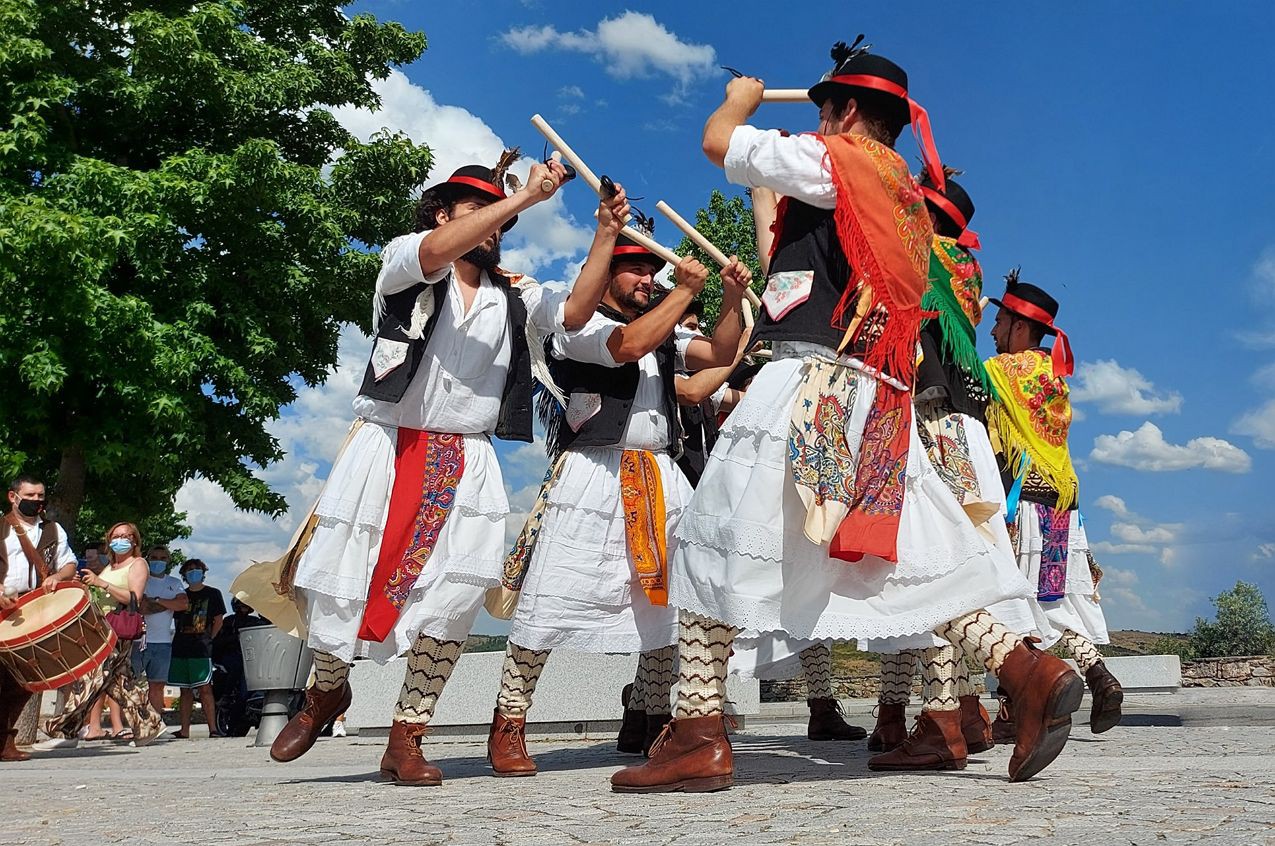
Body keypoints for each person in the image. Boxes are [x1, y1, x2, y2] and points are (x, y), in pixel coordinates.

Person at [612, 40, 1083, 794]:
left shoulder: (841, 161)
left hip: (809, 385)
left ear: (847, 112)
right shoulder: (898, 192)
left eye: (827, 110)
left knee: (710, 541)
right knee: (898, 561)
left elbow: (718, 142)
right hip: (874, 393)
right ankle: (1024, 669)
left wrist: (740, 95)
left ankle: (696, 732)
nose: (820, 122)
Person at [263, 153, 619, 787]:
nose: (491, 227)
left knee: (452, 602)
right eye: (474, 212)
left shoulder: (516, 292)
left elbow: (573, 316)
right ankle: (326, 690)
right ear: (441, 212)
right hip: (388, 442)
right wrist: (519, 201)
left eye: (497, 218)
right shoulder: (407, 259)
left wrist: (605, 235)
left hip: (469, 456)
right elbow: (435, 253)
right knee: (343, 577)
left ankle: (408, 734)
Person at [490, 222, 751, 775]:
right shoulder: (578, 326)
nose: (648, 279)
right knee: (551, 596)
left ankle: (661, 719)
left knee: (674, 602)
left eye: (653, 271)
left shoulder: (660, 329)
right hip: (593, 471)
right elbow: (626, 347)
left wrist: (729, 296)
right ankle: (509, 721)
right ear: (604, 273)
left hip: (660, 473)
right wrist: (684, 291)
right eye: (637, 269)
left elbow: (718, 349)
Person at [862, 171, 1051, 771]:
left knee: (929, 568)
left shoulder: (927, 258)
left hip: (929, 421)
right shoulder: (960, 271)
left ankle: (947, 715)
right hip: (962, 432)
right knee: (950, 571)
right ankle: (961, 709)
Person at [984, 271, 1123, 740]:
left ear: (1021, 329)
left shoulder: (1003, 373)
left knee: (1012, 605)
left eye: (1000, 321)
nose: (992, 331)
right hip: (1063, 504)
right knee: (1056, 602)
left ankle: (1014, 711)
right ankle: (1099, 674)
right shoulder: (1053, 375)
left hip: (1022, 502)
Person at [38, 521, 166, 749]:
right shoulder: (110, 567)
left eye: (126, 536)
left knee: (88, 679)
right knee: (119, 683)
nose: (121, 539)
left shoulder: (137, 564)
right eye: (116, 535)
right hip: (101, 627)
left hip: (119, 629)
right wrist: (87, 586)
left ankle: (64, 730)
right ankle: (150, 724)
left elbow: (133, 599)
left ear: (135, 540)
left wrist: (102, 583)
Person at [0, 475, 79, 761]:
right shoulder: (2, 528)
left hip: (35, 608)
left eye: (40, 495)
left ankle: (4, 742)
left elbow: (69, 563)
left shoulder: (53, 530)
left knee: (22, 682)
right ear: (13, 497)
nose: (36, 500)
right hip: (1, 608)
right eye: (30, 495)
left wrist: (57, 576)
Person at [169, 558, 226, 738]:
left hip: (202, 648)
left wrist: (210, 638)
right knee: (184, 690)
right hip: (180, 646)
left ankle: (213, 729)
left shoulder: (213, 593)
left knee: (205, 688)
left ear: (203, 572)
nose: (194, 572)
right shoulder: (180, 596)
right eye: (190, 570)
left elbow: (218, 619)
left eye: (197, 569)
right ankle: (184, 730)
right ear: (184, 575)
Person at [133, 544, 188, 716]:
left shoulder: (174, 583)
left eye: (163, 558)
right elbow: (141, 607)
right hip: (139, 641)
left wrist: (156, 600)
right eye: (154, 557)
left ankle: (155, 722)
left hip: (163, 642)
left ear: (168, 561)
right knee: (130, 684)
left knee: (157, 685)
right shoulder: (142, 581)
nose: (158, 561)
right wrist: (167, 603)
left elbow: (183, 604)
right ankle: (132, 723)